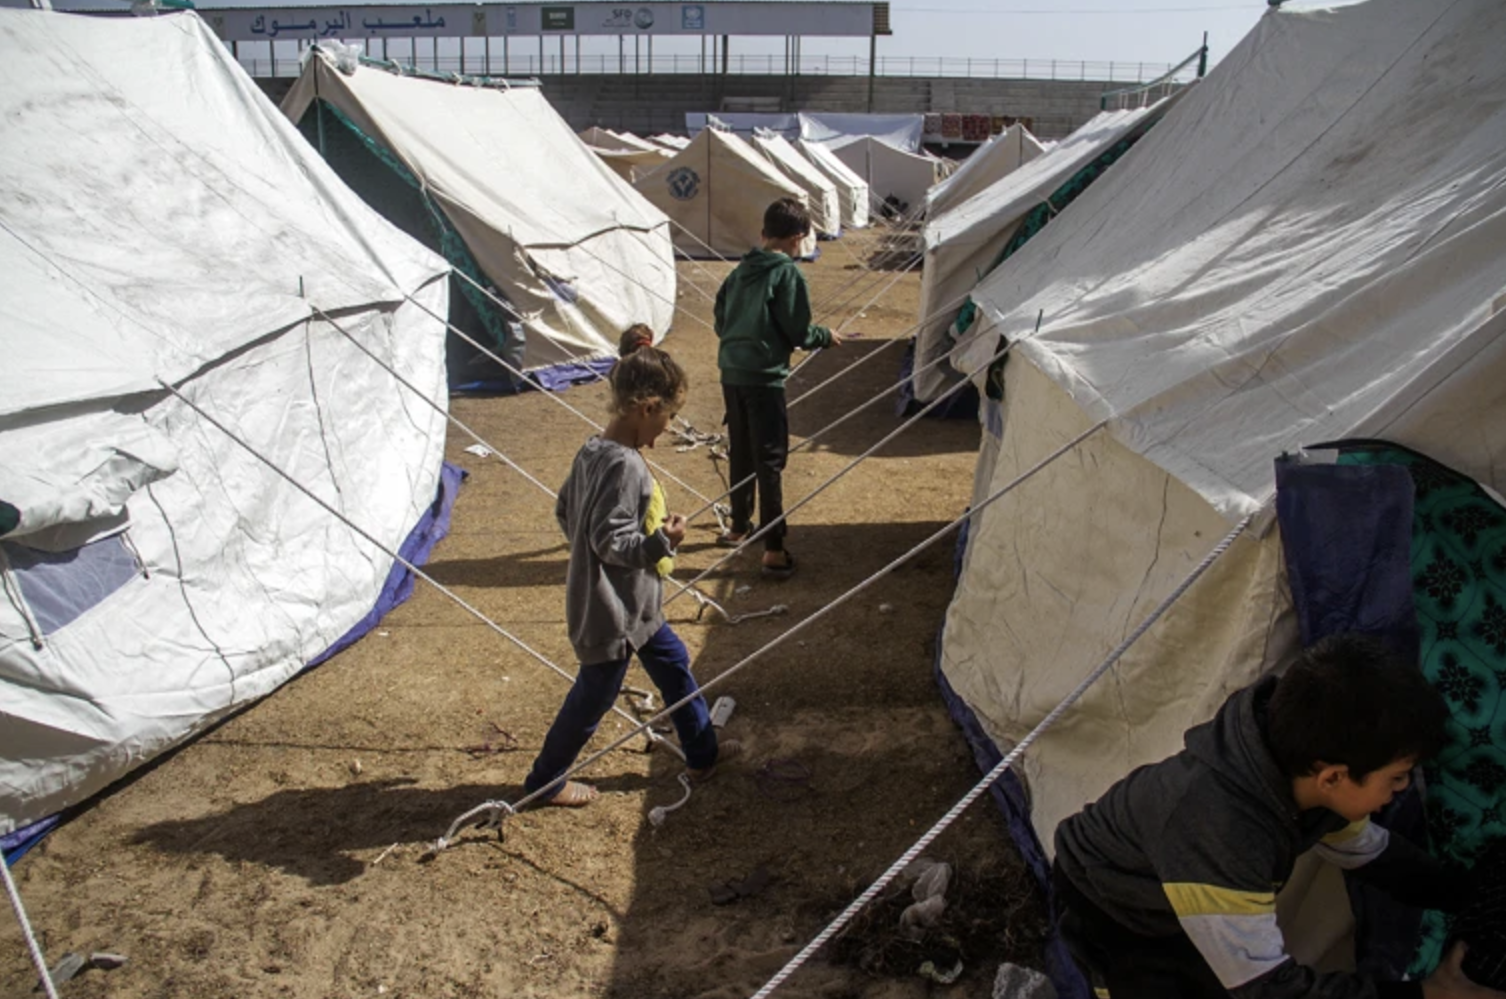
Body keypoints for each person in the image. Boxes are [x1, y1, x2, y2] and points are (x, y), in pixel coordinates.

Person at [1053, 632, 1500, 999]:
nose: (1400, 791)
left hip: (1188, 889)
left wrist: (1467, 895)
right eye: (1397, 778)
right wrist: (1426, 994)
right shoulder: (1221, 833)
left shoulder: (1295, 760)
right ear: (1333, 778)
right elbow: (1270, 992)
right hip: (1118, 909)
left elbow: (1371, 854)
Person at [522, 328, 737, 807]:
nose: (668, 428)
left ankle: (702, 754)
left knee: (675, 666)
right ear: (646, 407)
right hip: (611, 615)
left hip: (639, 609)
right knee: (593, 699)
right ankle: (545, 779)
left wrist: (584, 551)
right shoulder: (624, 466)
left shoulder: (590, 451)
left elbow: (565, 511)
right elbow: (610, 540)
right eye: (669, 417)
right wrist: (663, 541)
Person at [713, 197, 847, 580]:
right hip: (763, 377)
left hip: (732, 371)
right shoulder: (787, 274)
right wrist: (825, 335)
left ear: (763, 234)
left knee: (741, 449)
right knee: (769, 459)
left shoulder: (739, 272)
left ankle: (739, 526)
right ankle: (773, 548)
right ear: (799, 238)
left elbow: (721, 320)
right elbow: (798, 331)